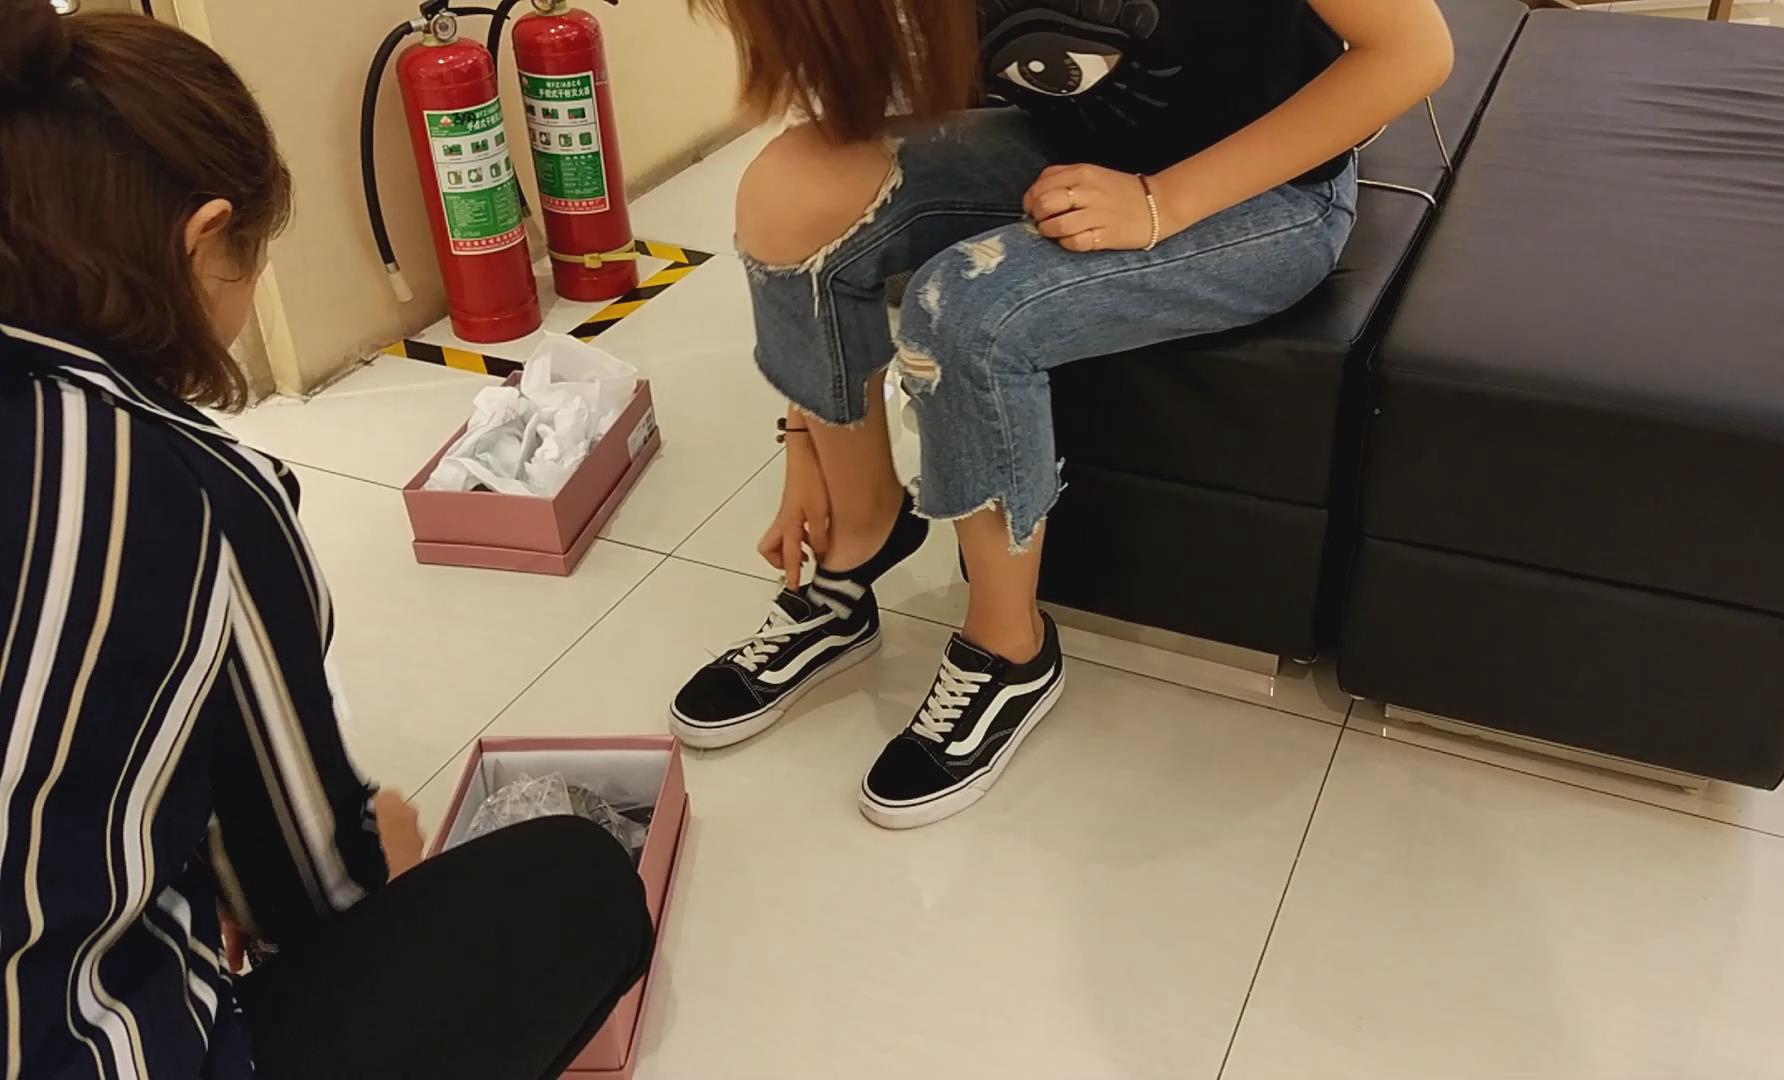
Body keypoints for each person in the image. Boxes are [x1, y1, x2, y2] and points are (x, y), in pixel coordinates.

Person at [0, 7, 650, 1078]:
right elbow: (314, 898)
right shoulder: (183, 486)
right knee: (576, 885)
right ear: (203, 240)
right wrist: (376, 844)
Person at [669, 0, 1454, 827]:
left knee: (960, 307)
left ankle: (1009, 649)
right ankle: (859, 533)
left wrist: (1160, 200)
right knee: (787, 188)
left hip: (1267, 194)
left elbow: (1413, 52)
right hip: (1076, 153)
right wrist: (808, 446)